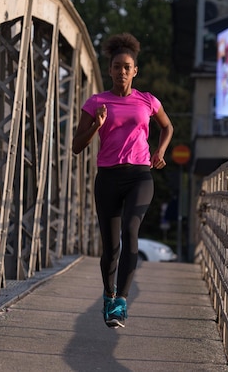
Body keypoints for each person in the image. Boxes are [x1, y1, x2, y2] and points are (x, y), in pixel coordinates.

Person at [72, 33, 173, 328]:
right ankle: (108, 293)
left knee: (131, 232)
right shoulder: (96, 102)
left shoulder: (147, 100)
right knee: (111, 247)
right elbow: (77, 146)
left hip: (140, 175)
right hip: (108, 178)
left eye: (127, 67)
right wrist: (96, 126)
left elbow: (167, 127)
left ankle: (121, 302)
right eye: (117, 66)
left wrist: (160, 150)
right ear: (110, 70)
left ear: (135, 71)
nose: (122, 72)